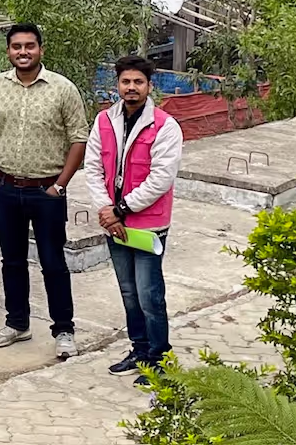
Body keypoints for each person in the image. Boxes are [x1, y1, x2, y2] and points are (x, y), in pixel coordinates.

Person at [0, 22, 88, 361]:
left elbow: (78, 139)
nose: (23, 52)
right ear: (8, 51)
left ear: (40, 49)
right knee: (11, 261)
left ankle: (64, 330)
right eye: (17, 47)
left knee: (53, 262)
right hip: (6, 189)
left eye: (29, 46)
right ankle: (17, 323)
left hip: (46, 191)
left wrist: (59, 185)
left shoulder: (62, 89)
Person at [84, 55, 182, 385]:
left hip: (148, 225)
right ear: (117, 85)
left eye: (138, 82)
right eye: (126, 81)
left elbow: (161, 178)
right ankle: (139, 350)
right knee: (128, 292)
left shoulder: (165, 126)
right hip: (115, 224)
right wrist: (106, 210)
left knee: (150, 294)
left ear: (149, 86)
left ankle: (159, 359)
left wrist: (120, 209)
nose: (131, 87)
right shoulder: (104, 121)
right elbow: (93, 168)